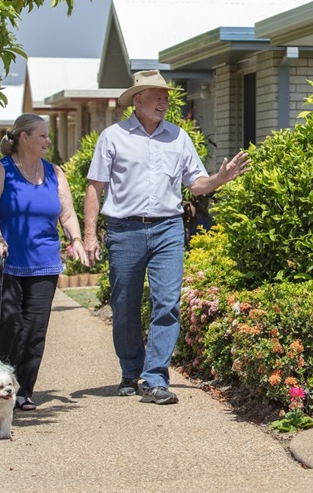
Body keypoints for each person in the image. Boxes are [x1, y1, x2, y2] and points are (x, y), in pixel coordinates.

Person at [83, 70, 249, 406]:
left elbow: (196, 184)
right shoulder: (113, 137)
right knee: (125, 304)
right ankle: (130, 371)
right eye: (157, 96)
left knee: (167, 302)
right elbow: (94, 187)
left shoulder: (178, 137)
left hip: (168, 228)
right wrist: (89, 235)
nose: (164, 102)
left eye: (166, 96)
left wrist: (219, 178)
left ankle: (155, 377)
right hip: (124, 229)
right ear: (138, 100)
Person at [0, 113, 87, 411]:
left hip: (42, 262)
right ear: (24, 138)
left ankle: (22, 391)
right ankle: (1, 387)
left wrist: (76, 240)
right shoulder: (1, 170)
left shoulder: (54, 173)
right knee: (10, 322)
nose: (48, 141)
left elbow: (67, 212)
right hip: (2, 260)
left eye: (48, 136)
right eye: (42, 136)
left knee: (35, 328)